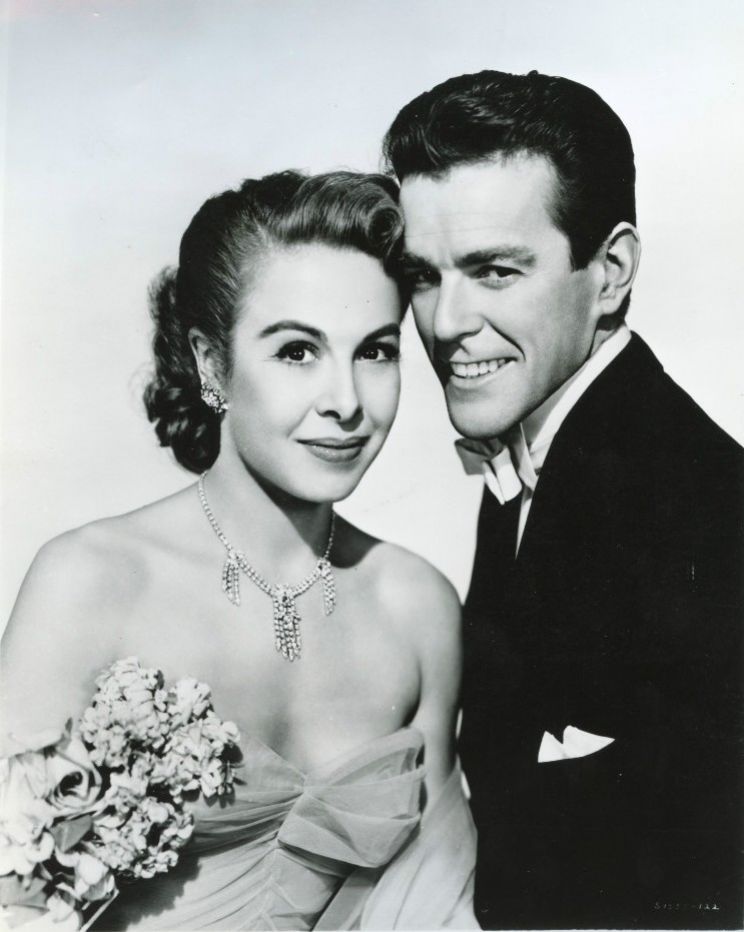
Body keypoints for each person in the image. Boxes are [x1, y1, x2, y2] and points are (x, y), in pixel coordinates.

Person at [0, 170, 477, 930]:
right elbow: (12, 897)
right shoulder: (91, 583)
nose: (347, 402)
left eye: (376, 352)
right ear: (210, 363)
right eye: (298, 351)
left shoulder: (418, 605)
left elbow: (439, 902)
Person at [383, 70, 744, 929]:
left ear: (610, 271)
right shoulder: (545, 437)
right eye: (424, 276)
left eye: (494, 271)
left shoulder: (708, 509)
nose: (444, 323)